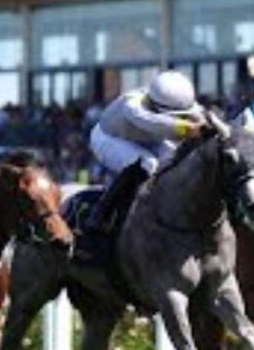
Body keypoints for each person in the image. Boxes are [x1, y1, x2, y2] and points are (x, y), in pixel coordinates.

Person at [83, 71, 204, 233]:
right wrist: (188, 128)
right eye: (179, 116)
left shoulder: (170, 100)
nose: (183, 118)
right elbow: (152, 122)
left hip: (149, 138)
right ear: (157, 107)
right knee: (148, 164)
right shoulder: (133, 105)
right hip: (110, 138)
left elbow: (201, 117)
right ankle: (102, 212)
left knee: (177, 160)